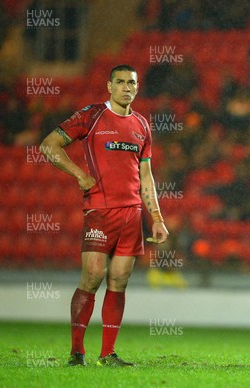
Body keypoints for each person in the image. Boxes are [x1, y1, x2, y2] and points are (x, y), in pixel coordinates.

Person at [40, 64, 169, 367]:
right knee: (93, 276)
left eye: (132, 83)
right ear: (109, 86)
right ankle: (76, 352)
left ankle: (107, 354)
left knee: (120, 280)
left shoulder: (142, 125)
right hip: (100, 210)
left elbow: (146, 175)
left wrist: (157, 217)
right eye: (120, 82)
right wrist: (78, 175)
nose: (127, 87)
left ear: (137, 88)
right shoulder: (91, 115)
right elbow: (49, 145)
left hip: (132, 213)